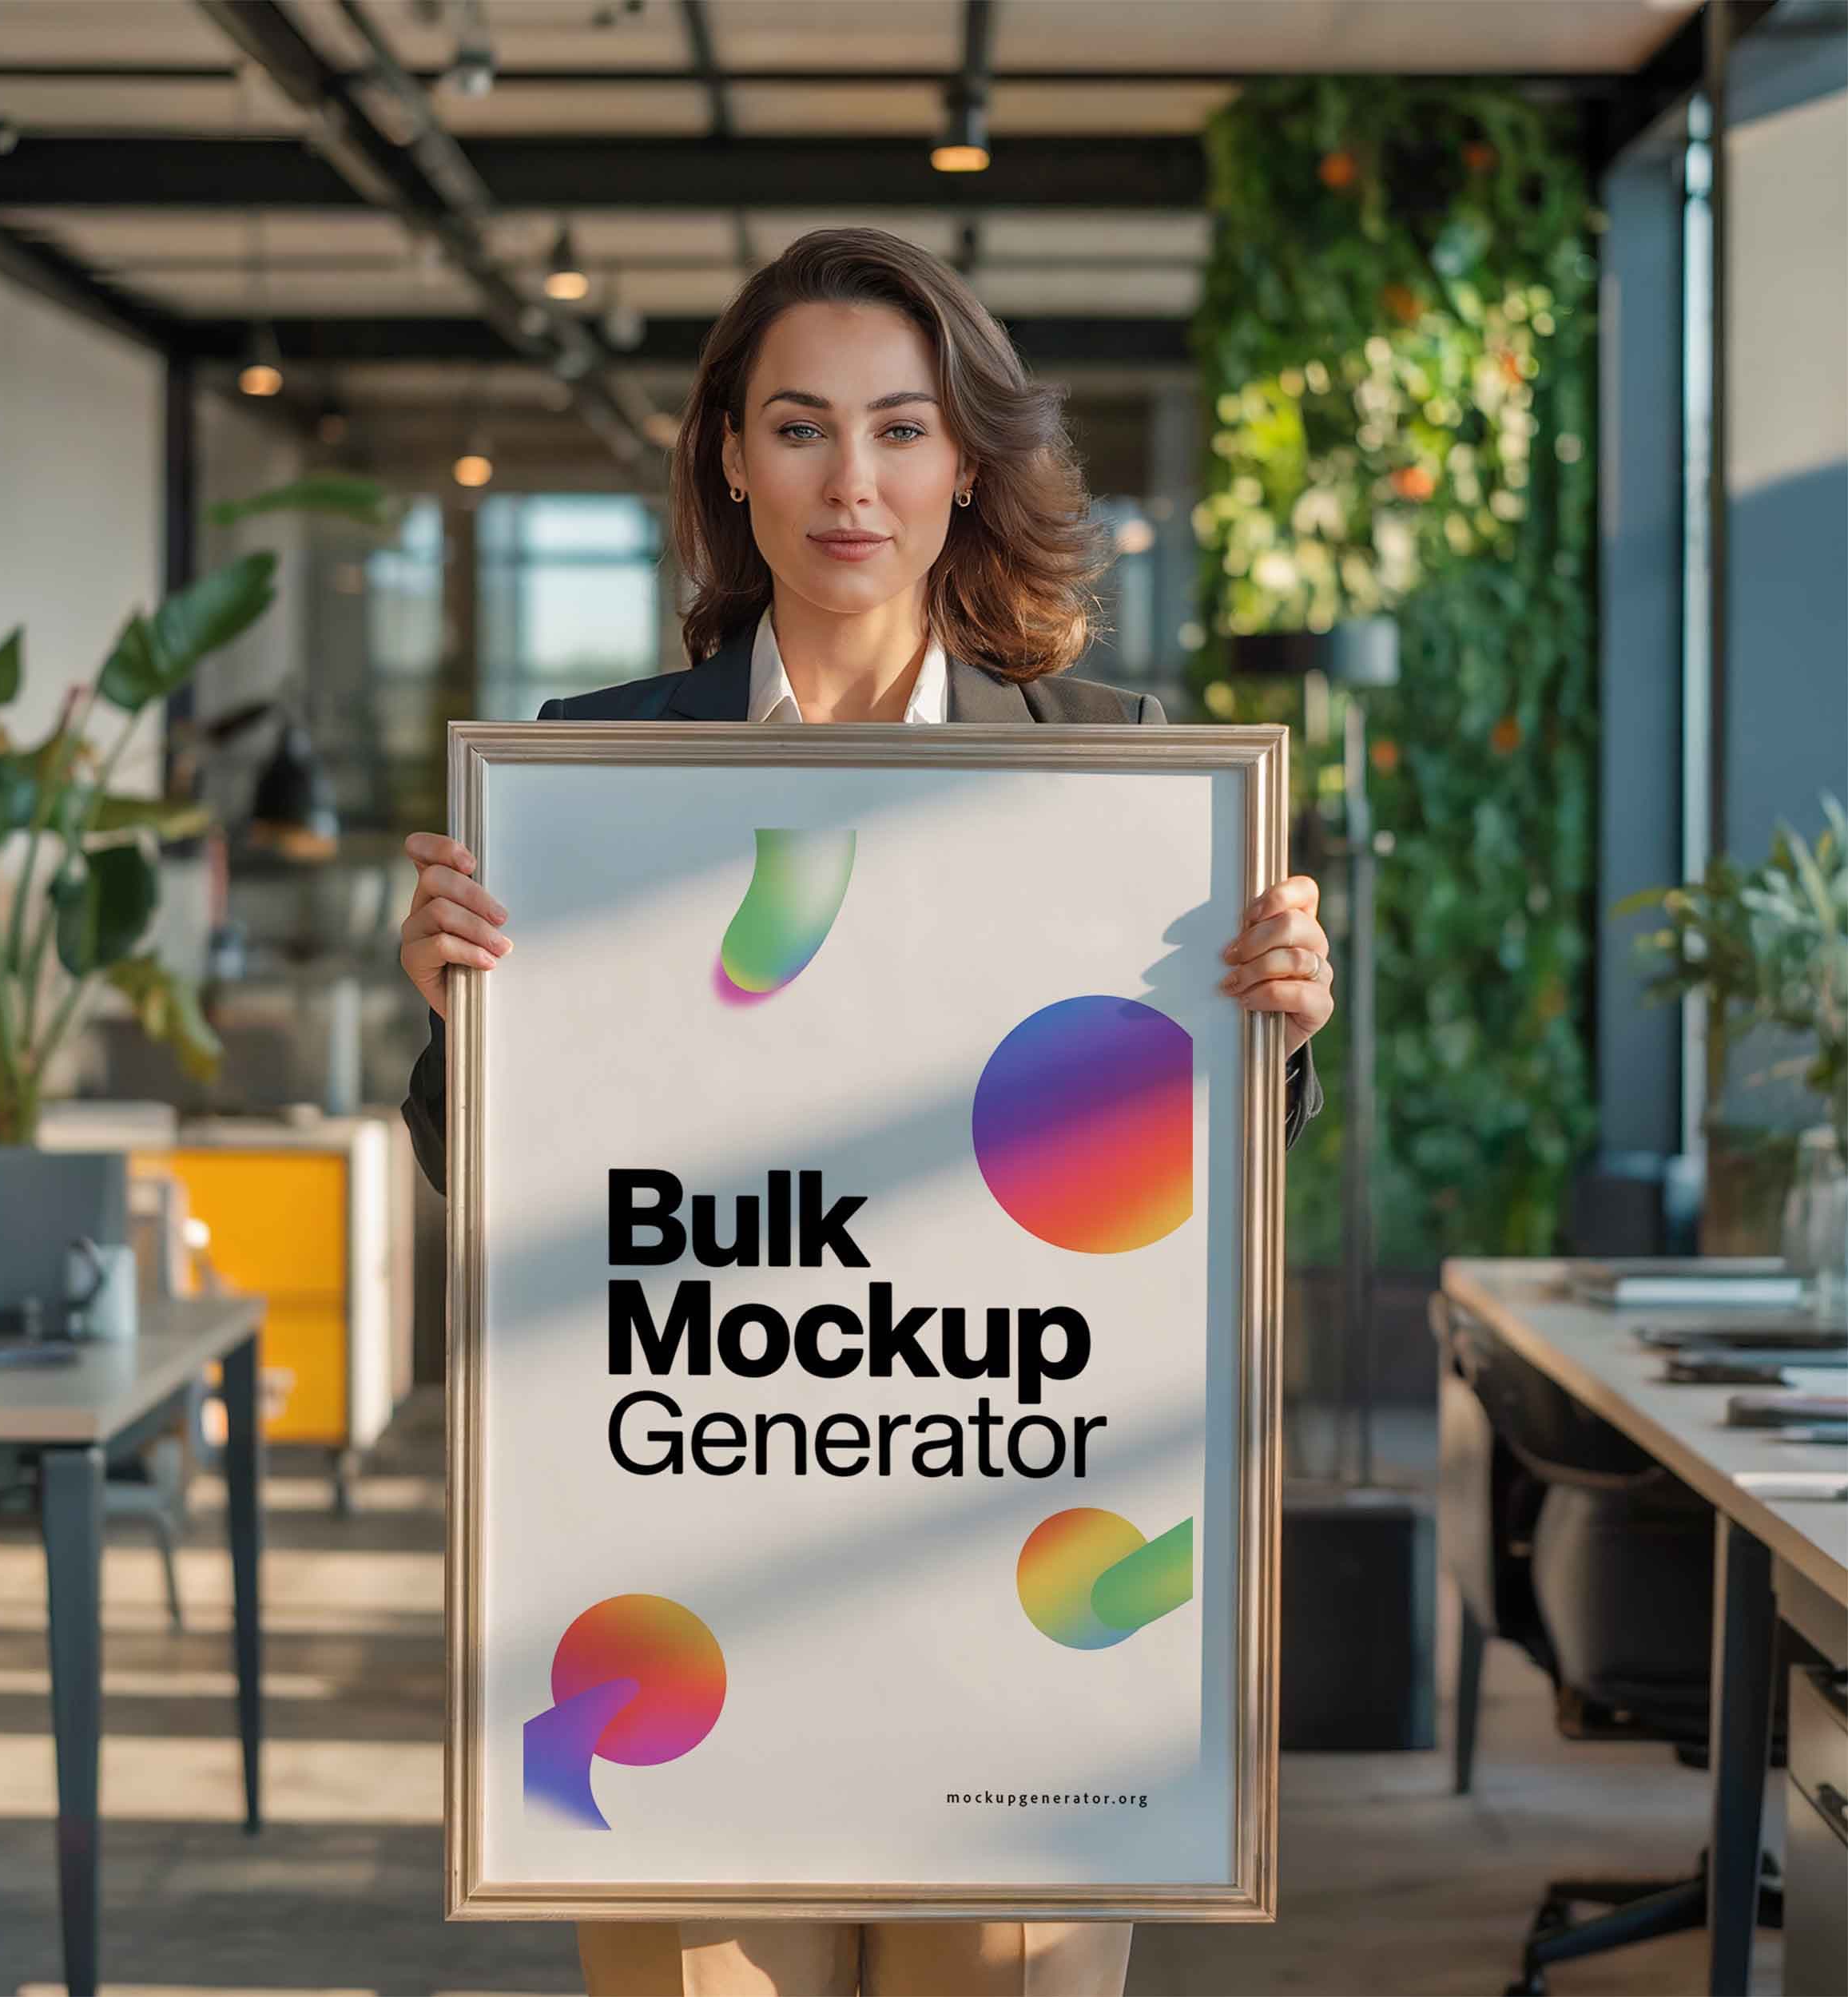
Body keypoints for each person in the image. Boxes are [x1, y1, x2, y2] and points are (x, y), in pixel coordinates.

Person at [398, 228, 1333, 1997]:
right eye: (803, 427)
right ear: (730, 458)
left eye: (900, 430)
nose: (854, 481)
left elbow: (1169, 1223)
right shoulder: (592, 769)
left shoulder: (1107, 770)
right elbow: (521, 1191)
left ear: (961, 464)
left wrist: (1265, 1031)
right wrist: (460, 1012)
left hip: (1003, 1629)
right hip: (691, 1584)